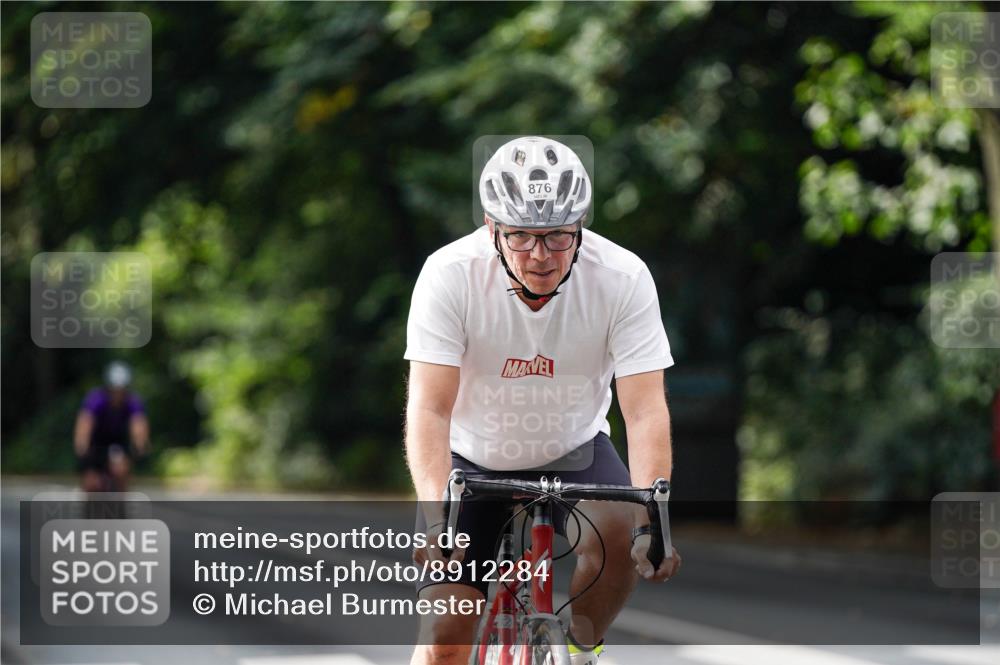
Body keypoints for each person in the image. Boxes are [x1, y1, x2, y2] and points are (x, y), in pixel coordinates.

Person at [404, 136, 681, 665]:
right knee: (445, 635)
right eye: (522, 237)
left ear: (579, 228)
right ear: (492, 227)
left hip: (574, 447)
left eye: (557, 237)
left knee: (622, 536)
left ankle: (580, 652)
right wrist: (438, 517)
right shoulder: (449, 275)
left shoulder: (622, 278)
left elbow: (644, 409)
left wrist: (655, 520)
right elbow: (430, 408)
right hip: (470, 458)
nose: (540, 256)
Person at [73, 361, 150, 492]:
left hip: (118, 441)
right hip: (96, 442)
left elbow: (138, 424)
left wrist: (140, 444)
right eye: (114, 390)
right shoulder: (96, 399)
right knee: (91, 484)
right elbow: (85, 424)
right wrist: (82, 446)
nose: (118, 394)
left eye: (122, 390)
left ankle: (120, 504)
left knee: (121, 471)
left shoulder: (132, 401)